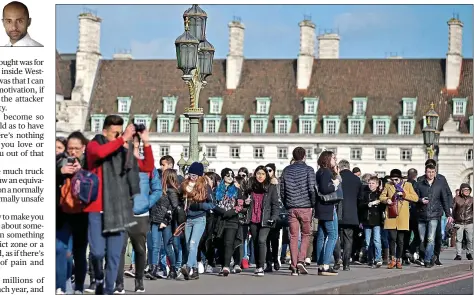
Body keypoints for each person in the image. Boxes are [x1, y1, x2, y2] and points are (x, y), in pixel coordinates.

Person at [84, 115, 140, 294]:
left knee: (114, 255)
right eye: (114, 134)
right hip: (96, 209)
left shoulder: (121, 149)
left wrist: (131, 148)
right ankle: (97, 275)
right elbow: (100, 153)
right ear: (104, 131)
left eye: (120, 133)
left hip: (117, 210)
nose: (117, 137)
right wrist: (123, 139)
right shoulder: (94, 145)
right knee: (98, 252)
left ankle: (109, 288)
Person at [56, 132, 89, 294]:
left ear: (83, 148)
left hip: (82, 215)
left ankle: (79, 287)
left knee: (79, 252)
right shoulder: (58, 162)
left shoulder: (90, 163)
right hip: (62, 214)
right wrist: (60, 172)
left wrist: (81, 172)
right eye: (70, 149)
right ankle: (62, 285)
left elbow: (95, 186)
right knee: (62, 251)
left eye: (76, 148)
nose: (73, 152)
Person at [280, 147, 316, 275]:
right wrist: (313, 203)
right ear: (304, 156)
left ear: (293, 156)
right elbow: (312, 189)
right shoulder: (309, 170)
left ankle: (294, 265)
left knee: (293, 236)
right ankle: (301, 259)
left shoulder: (286, 170)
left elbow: (282, 190)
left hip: (291, 207)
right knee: (306, 234)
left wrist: (287, 204)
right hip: (306, 206)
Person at [180, 162, 214, 280]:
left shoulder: (205, 187)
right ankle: (195, 271)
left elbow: (212, 204)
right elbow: (181, 200)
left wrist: (200, 206)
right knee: (189, 245)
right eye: (190, 174)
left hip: (200, 218)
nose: (192, 177)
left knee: (194, 244)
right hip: (188, 219)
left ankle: (188, 267)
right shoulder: (185, 185)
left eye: (195, 175)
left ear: (200, 176)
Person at [380, 169, 419, 269]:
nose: (394, 181)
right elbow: (381, 197)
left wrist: (404, 195)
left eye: (396, 179)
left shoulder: (408, 185)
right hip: (391, 215)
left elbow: (416, 198)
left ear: (401, 178)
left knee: (400, 240)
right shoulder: (388, 185)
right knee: (392, 238)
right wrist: (387, 200)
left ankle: (399, 260)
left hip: (402, 216)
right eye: (392, 179)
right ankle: (392, 259)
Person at [415, 164, 453, 268]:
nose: (430, 174)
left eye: (432, 172)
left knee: (431, 239)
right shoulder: (419, 184)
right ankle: (429, 256)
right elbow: (414, 198)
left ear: (435, 172)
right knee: (422, 239)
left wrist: (448, 214)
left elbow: (445, 200)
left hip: (434, 215)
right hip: (422, 215)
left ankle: (427, 260)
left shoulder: (439, 185)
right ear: (425, 172)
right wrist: (420, 200)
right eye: (428, 172)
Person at [245, 166, 279, 276]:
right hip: (253, 218)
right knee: (255, 242)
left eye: (263, 174)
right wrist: (246, 202)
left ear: (266, 175)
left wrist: (273, 218)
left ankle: (261, 266)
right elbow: (243, 201)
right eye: (258, 173)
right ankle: (259, 265)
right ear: (255, 174)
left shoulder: (271, 187)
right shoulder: (250, 187)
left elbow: (275, 204)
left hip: (266, 219)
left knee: (261, 240)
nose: (260, 176)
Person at [213, 168, 245, 276]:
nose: (230, 177)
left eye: (232, 175)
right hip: (220, 220)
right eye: (227, 175)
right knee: (221, 243)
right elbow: (213, 203)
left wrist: (232, 212)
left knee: (228, 242)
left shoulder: (237, 190)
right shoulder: (217, 189)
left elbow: (240, 204)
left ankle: (226, 266)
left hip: (232, 220)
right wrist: (221, 211)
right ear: (223, 177)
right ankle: (222, 265)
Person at [315, 151, 341, 276]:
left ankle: (321, 265)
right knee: (333, 235)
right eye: (333, 158)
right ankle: (326, 265)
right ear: (327, 159)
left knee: (321, 235)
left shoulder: (320, 171)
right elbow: (325, 189)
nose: (335, 160)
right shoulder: (326, 172)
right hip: (328, 207)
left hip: (321, 207)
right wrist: (335, 184)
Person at [337, 160, 362, 271]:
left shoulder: (337, 178)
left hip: (337, 212)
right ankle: (346, 263)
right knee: (348, 239)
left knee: (335, 237)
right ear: (348, 167)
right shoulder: (356, 180)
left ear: (340, 167)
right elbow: (360, 198)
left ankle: (337, 260)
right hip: (351, 213)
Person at [358, 175, 383, 267]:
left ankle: (378, 258)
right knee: (368, 241)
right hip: (366, 220)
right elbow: (360, 205)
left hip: (376, 220)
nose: (370, 185)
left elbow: (383, 206)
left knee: (376, 240)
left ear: (377, 184)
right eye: (369, 183)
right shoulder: (365, 193)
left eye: (373, 183)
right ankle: (370, 259)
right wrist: (367, 204)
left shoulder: (380, 194)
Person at [452, 183, 473, 260]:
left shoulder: (472, 199)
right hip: (459, 222)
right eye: (465, 190)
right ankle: (458, 255)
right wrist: (453, 219)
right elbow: (453, 210)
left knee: (469, 239)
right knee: (458, 239)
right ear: (461, 191)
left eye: (468, 190)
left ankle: (469, 253)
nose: (467, 191)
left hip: (469, 221)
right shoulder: (456, 198)